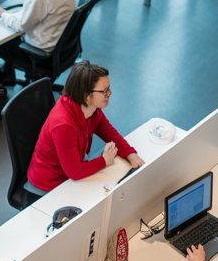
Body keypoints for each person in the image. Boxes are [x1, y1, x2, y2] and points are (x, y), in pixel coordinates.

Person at [27, 61, 144, 194]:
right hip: (51, 184)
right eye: (104, 91)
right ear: (86, 96)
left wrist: (130, 154)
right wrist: (104, 160)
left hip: (72, 171)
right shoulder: (63, 125)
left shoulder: (92, 109)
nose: (109, 94)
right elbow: (75, 172)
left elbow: (109, 133)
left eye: (109, 88)